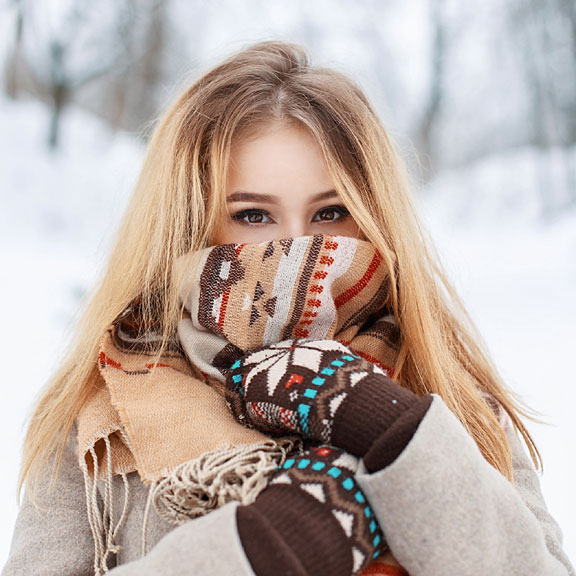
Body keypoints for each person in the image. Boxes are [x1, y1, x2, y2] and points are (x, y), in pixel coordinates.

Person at [2, 41, 574, 576]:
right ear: (189, 224)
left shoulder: (450, 393)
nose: (300, 247)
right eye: (253, 215)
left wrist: (389, 425)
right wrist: (269, 547)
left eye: (330, 213)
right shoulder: (107, 420)